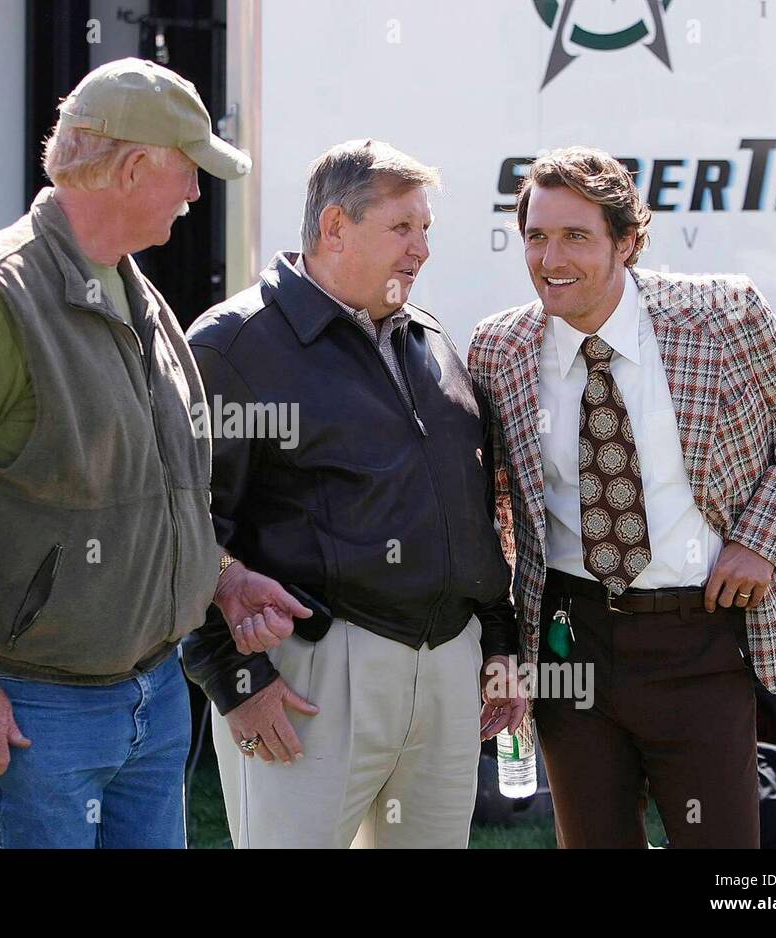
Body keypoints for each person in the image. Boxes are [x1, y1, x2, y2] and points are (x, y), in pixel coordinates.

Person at [0, 58, 265, 848]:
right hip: (40, 710)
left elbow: (160, 485)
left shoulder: (139, 290)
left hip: (159, 696)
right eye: (188, 172)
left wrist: (222, 578)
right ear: (135, 167)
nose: (197, 195)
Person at [468, 145, 776, 848]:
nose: (550, 258)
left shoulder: (722, 316)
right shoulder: (500, 348)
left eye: (576, 236)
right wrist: (507, 650)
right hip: (569, 645)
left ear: (627, 242)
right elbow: (496, 504)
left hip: (699, 642)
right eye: (536, 236)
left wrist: (761, 540)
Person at [183, 139, 525, 849]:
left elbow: (470, 512)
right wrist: (233, 677)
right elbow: (186, 530)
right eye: (403, 228)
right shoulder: (234, 346)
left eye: (426, 229)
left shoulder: (430, 340)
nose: (422, 249)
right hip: (311, 679)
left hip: (449, 669)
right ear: (335, 227)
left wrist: (498, 644)